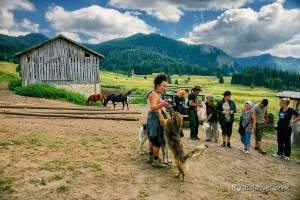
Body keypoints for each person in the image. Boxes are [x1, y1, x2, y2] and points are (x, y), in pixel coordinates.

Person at [146, 73, 171, 168]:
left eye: (166, 86)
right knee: (156, 140)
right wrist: (162, 105)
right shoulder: (155, 94)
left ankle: (151, 156)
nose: (165, 88)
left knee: (152, 139)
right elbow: (153, 107)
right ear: (158, 85)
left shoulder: (153, 92)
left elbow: (157, 103)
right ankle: (156, 161)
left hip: (150, 118)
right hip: (155, 118)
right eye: (163, 86)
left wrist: (164, 103)